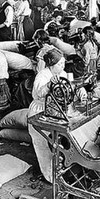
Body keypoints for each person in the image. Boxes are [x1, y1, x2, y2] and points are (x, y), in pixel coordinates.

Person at [28, 49, 67, 182]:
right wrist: (49, 84)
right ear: (51, 64)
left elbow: (69, 88)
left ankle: (61, 170)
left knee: (59, 142)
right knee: (42, 145)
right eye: (60, 64)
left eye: (63, 63)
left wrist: (80, 91)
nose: (63, 66)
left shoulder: (63, 73)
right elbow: (37, 94)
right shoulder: (42, 75)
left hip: (56, 111)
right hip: (39, 111)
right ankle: (50, 176)